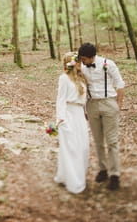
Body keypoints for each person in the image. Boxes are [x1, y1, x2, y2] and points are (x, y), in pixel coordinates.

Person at [78, 42, 126, 190]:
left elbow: (120, 84)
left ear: (92, 57)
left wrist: (118, 104)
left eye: (84, 59)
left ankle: (115, 175)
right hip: (92, 105)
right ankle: (103, 169)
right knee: (98, 141)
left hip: (108, 103)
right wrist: (85, 107)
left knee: (112, 142)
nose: (82, 61)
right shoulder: (81, 67)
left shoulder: (108, 64)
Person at [54, 51, 89, 194]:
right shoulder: (64, 78)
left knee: (83, 148)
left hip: (80, 115)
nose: (82, 64)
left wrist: (86, 112)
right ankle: (74, 182)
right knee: (71, 149)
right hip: (68, 114)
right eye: (79, 62)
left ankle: (65, 176)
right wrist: (61, 118)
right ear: (73, 63)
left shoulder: (81, 78)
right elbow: (60, 99)